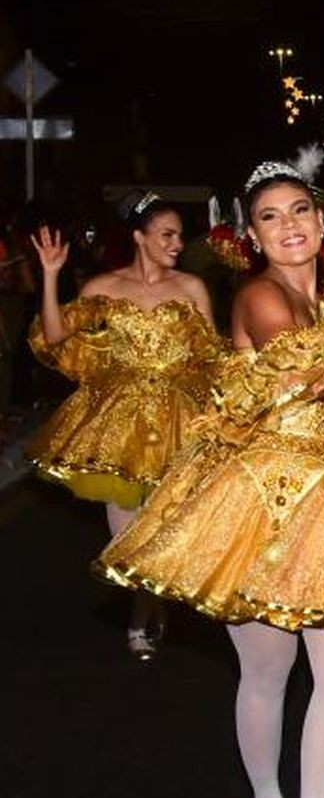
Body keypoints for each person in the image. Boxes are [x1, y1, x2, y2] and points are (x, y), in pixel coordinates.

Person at [94, 147, 324, 798]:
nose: (289, 226)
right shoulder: (259, 297)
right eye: (270, 217)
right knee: (267, 672)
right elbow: (300, 373)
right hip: (258, 503)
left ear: (320, 217)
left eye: (299, 210)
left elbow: (322, 379)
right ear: (251, 233)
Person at [25, 191, 221, 660]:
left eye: (179, 234)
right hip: (119, 425)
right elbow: (54, 337)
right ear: (139, 236)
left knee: (167, 524)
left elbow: (213, 358)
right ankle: (145, 607)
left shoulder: (191, 287)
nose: (177, 243)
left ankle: (143, 613)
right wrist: (51, 277)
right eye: (167, 234)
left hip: (181, 420)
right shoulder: (103, 287)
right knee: (127, 539)